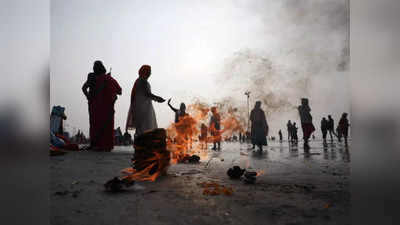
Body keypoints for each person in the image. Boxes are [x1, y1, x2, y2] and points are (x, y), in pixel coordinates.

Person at [83, 60, 121, 151]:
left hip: (96, 104)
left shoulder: (96, 77)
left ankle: (96, 145)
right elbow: (119, 91)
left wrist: (89, 97)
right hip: (103, 105)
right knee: (104, 125)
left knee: (95, 124)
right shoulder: (106, 78)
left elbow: (84, 88)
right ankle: (104, 145)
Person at [125, 65, 166, 138]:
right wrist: (157, 98)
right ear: (145, 72)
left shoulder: (141, 81)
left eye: (150, 72)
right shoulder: (141, 81)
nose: (150, 74)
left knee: (143, 126)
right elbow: (147, 94)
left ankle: (142, 143)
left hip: (143, 107)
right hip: (142, 108)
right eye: (149, 72)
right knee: (145, 126)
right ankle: (142, 144)